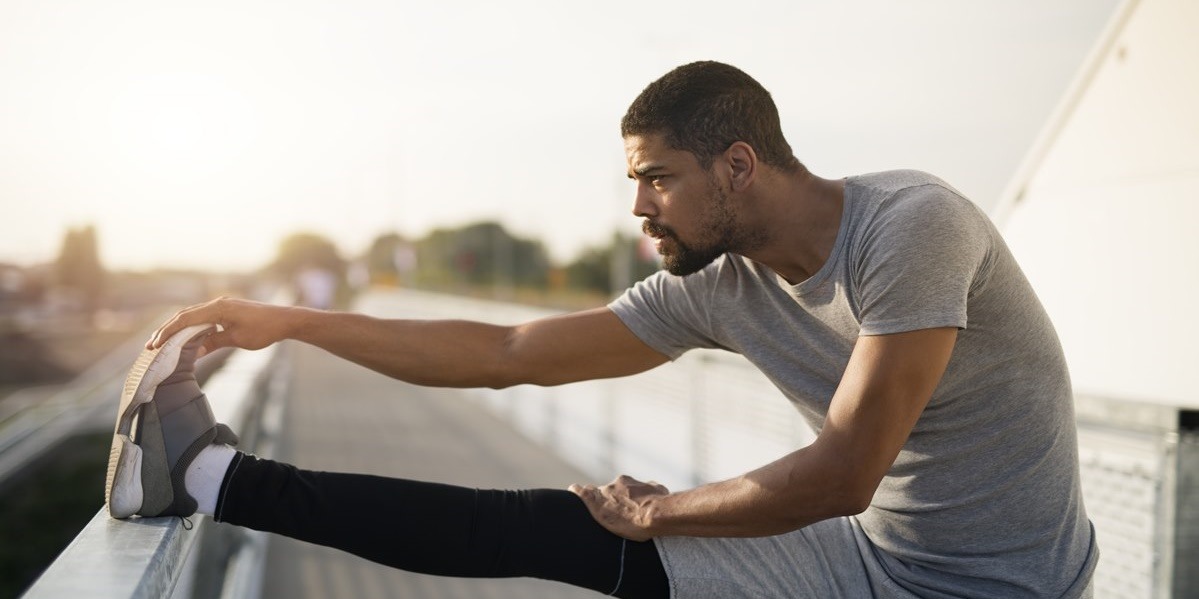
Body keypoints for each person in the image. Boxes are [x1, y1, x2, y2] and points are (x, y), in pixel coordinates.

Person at [106, 61, 1097, 598]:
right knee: (551, 526)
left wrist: (662, 509)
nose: (637, 208)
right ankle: (205, 476)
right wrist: (291, 322)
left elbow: (843, 470)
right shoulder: (717, 284)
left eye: (656, 177)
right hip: (870, 559)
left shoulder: (910, 227)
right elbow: (505, 355)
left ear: (738, 166)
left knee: (618, 525)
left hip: (1007, 585)